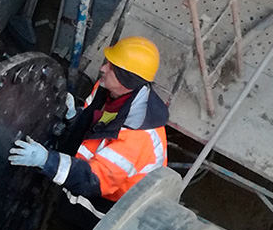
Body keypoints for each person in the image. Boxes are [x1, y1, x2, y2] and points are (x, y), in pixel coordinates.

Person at [9, 36, 168, 217]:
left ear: (127, 80)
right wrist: (75, 117)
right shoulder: (107, 90)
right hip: (90, 178)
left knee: (77, 224)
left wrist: (46, 160)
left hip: (110, 207)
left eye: (111, 67)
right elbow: (95, 128)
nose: (102, 68)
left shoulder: (137, 139)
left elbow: (92, 180)